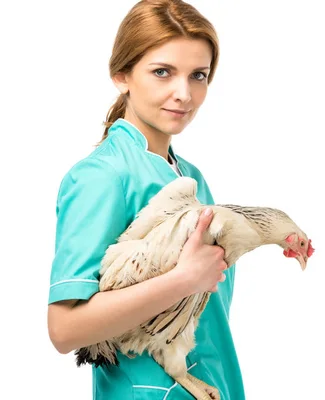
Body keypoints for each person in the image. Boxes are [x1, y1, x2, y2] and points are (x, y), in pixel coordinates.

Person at [46, 1, 245, 398]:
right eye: (162, 72)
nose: (183, 93)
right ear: (122, 75)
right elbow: (64, 330)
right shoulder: (102, 176)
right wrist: (183, 279)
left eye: (198, 75)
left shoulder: (191, 177)